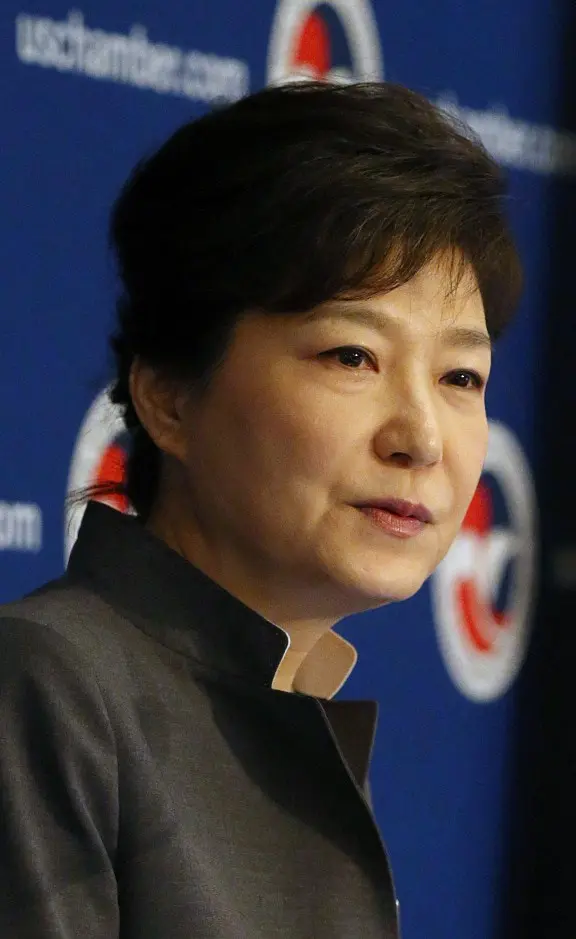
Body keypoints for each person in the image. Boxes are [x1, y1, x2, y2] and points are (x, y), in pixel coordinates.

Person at [0, 81, 521, 939]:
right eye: (353, 356)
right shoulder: (51, 686)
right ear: (168, 397)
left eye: (460, 377)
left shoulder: (288, 716)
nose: (422, 437)